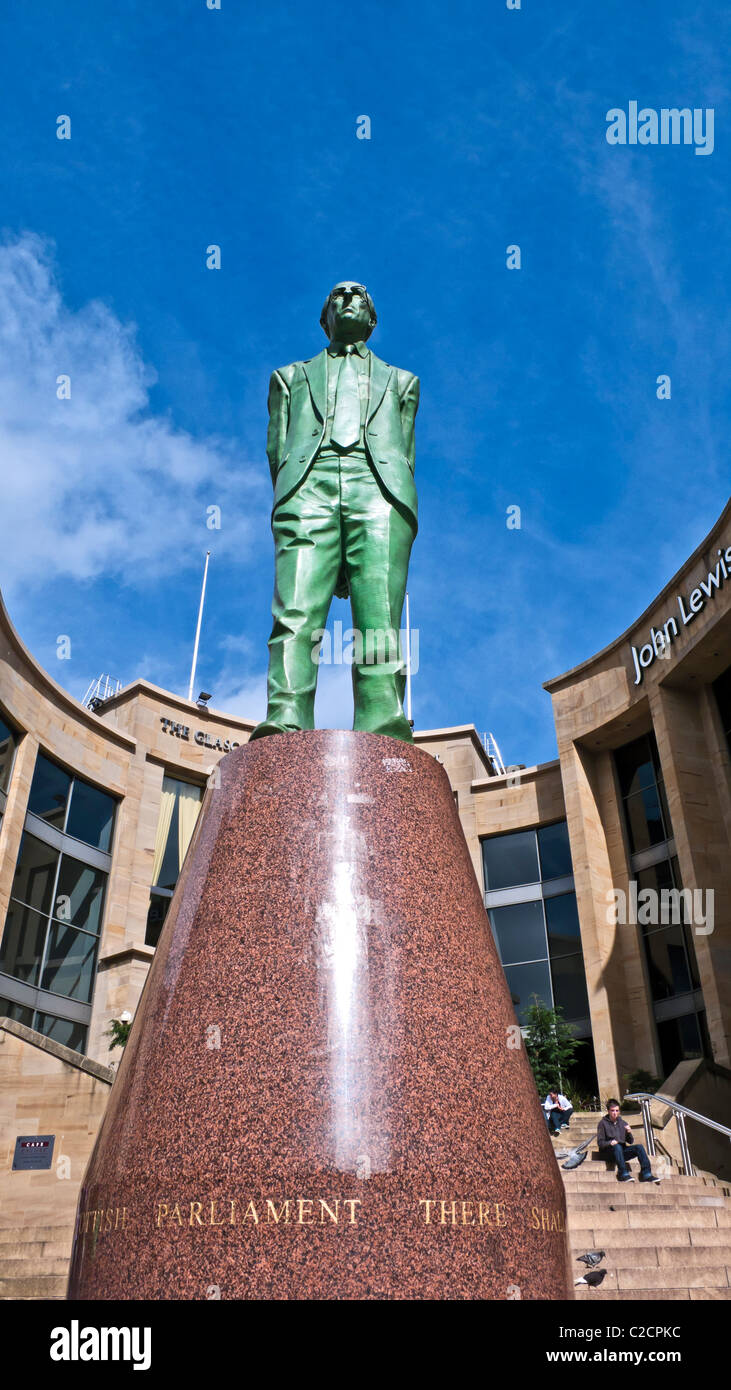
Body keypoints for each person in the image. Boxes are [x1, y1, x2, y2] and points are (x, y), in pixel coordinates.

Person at [250, 281, 419, 743]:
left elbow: (405, 452)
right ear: (324, 317)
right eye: (337, 295)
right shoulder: (288, 378)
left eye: (358, 295)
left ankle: (382, 717)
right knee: (295, 609)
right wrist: (297, 498)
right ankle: (285, 715)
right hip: (309, 486)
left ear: (373, 317)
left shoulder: (404, 383)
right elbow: (276, 450)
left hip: (379, 489)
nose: (348, 298)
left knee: (379, 616)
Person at [597, 1099, 661, 1183]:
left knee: (639, 1147)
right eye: (612, 1111)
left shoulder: (622, 1123)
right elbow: (600, 1143)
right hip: (609, 1152)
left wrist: (629, 1132)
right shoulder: (602, 1123)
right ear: (608, 1111)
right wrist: (610, 1143)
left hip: (621, 1152)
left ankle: (647, 1174)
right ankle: (623, 1174)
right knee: (617, 1146)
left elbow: (630, 1141)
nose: (615, 1113)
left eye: (617, 1110)